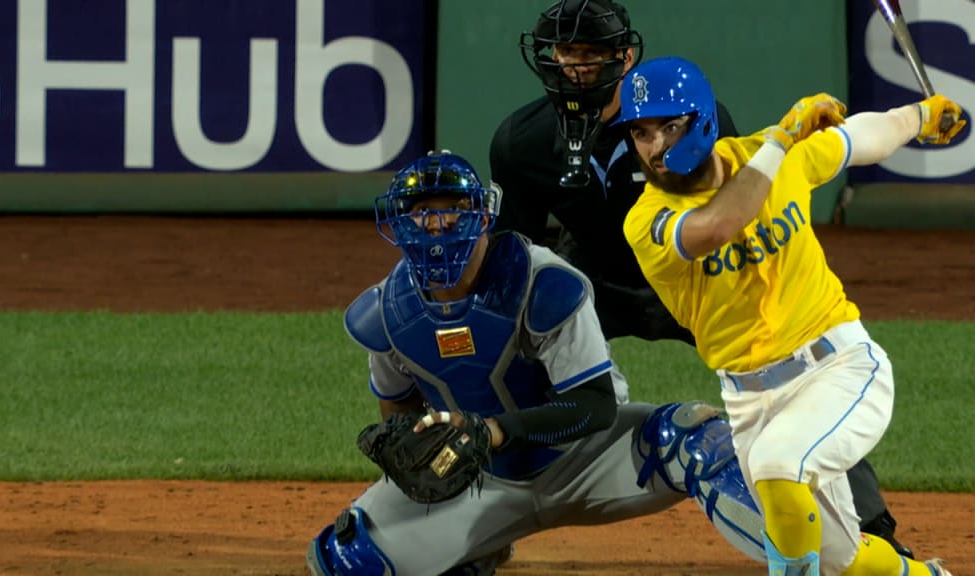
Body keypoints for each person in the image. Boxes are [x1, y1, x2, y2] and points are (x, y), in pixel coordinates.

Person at [489, 0, 916, 559]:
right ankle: (493, 516)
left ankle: (872, 528)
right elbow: (518, 252)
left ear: (625, 57)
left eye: (591, 54)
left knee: (801, 387)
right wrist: (538, 324)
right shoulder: (519, 143)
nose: (576, 67)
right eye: (567, 53)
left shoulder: (687, 118)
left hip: (699, 278)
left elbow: (737, 213)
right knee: (512, 356)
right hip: (600, 277)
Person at [306, 150, 772, 575]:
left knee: (694, 440)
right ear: (400, 222)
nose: (436, 224)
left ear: (483, 215)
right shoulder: (385, 315)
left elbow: (595, 407)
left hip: (587, 461)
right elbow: (399, 412)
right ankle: (474, 552)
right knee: (346, 558)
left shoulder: (542, 282)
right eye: (422, 211)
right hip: (482, 484)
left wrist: (492, 432)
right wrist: (421, 457)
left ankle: (810, 560)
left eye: (452, 209)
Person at [615, 56, 965, 575]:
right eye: (641, 133)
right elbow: (718, 225)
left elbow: (859, 138)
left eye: (669, 126)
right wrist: (782, 139)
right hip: (750, 404)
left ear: (702, 118)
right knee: (842, 560)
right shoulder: (648, 220)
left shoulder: (770, 155)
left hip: (839, 367)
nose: (655, 147)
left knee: (781, 465)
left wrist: (919, 116)